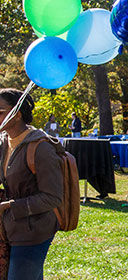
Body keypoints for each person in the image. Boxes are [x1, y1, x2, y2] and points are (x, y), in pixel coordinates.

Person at [0, 88, 63, 279]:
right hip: (12, 228)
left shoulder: (41, 147)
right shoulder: (5, 142)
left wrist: (10, 206)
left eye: (0, 112)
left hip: (35, 231)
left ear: (16, 114)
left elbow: (53, 197)